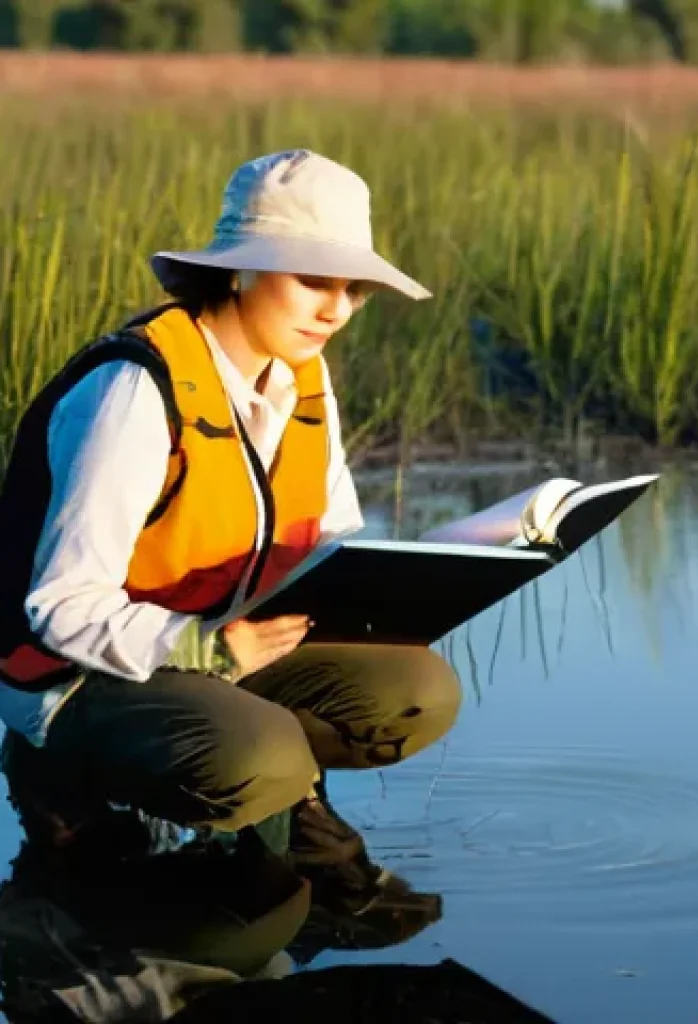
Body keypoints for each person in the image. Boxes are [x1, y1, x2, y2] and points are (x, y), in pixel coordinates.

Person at [0, 149, 463, 920]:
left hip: (223, 652)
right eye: (315, 280)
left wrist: (423, 583)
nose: (338, 309)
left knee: (417, 691)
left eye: (353, 289)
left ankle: (281, 817)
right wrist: (209, 651)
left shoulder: (302, 379)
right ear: (241, 271)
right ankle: (66, 792)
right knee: (261, 764)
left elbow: (331, 543)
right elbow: (60, 606)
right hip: (76, 678)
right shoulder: (134, 391)